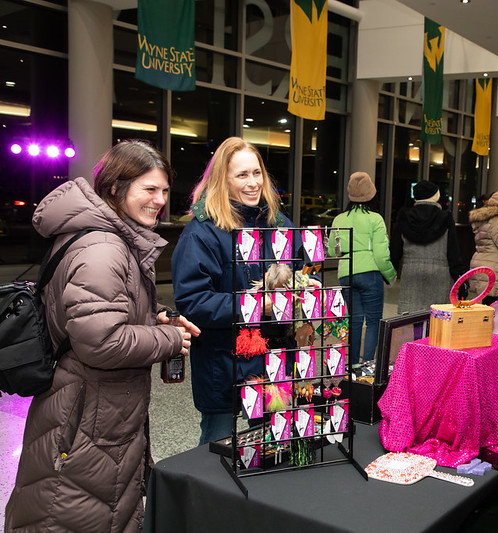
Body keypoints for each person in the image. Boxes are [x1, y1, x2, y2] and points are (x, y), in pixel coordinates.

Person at [5, 140, 199, 533]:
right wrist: (168, 340)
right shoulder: (103, 247)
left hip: (94, 411)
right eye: (149, 189)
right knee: (69, 510)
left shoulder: (106, 237)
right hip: (86, 418)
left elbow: (97, 311)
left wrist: (152, 315)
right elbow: (101, 342)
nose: (159, 200)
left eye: (164, 190)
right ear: (115, 187)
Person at [171, 137, 318, 446]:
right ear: (221, 180)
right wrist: (256, 305)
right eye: (241, 175)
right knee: (218, 451)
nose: (252, 183)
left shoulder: (279, 224)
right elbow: (194, 303)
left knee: (273, 444)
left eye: (256, 173)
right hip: (223, 363)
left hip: (274, 360)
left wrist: (307, 288)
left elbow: (299, 269)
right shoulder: (202, 232)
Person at [327, 172, 396, 362]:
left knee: (354, 321)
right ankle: (367, 365)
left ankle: (353, 366)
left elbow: (333, 252)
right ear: (371, 193)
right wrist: (391, 276)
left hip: (346, 274)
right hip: (370, 274)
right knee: (373, 321)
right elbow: (382, 255)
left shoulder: (339, 219)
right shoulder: (375, 219)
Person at [390, 181, 467, 314]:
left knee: (411, 318)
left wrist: (391, 272)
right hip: (440, 275)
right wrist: (459, 277)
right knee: (437, 318)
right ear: (436, 196)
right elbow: (453, 252)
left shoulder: (404, 218)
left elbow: (395, 250)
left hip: (411, 273)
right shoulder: (445, 218)